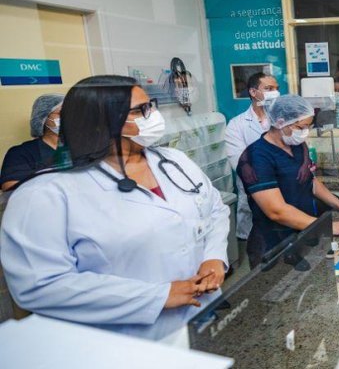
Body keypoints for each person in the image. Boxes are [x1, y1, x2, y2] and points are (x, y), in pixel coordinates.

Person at [0, 76, 230, 340]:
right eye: (141, 110)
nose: (153, 115)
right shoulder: (44, 194)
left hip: (200, 318)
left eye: (150, 106)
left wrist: (213, 257)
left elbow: (214, 209)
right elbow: (40, 285)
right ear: (102, 121)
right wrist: (156, 296)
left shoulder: (173, 161)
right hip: (126, 338)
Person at [237, 95, 339, 266]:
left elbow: (310, 181)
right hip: (274, 242)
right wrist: (327, 227)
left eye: (308, 127)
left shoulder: (297, 146)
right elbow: (276, 211)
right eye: (301, 127)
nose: (305, 132)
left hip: (303, 233)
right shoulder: (256, 157)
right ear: (281, 122)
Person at [225, 72, 279, 245]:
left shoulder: (282, 119)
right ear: (253, 92)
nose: (275, 93)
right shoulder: (236, 124)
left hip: (282, 192)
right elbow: (240, 163)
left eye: (277, 89)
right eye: (269, 88)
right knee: (257, 250)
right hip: (252, 194)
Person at [1, 94, 65, 191]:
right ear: (43, 118)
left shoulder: (80, 148)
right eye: (61, 113)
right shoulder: (21, 153)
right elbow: (10, 189)